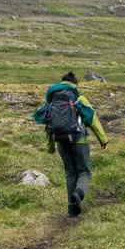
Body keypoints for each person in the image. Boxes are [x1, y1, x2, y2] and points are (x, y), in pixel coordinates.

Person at [33, 73, 109, 217]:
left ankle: (71, 209)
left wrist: (50, 147)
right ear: (75, 84)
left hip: (61, 141)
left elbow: (48, 125)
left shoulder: (52, 101)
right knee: (84, 171)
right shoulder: (78, 98)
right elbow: (93, 120)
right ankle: (78, 194)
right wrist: (103, 140)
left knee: (70, 173)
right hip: (79, 141)